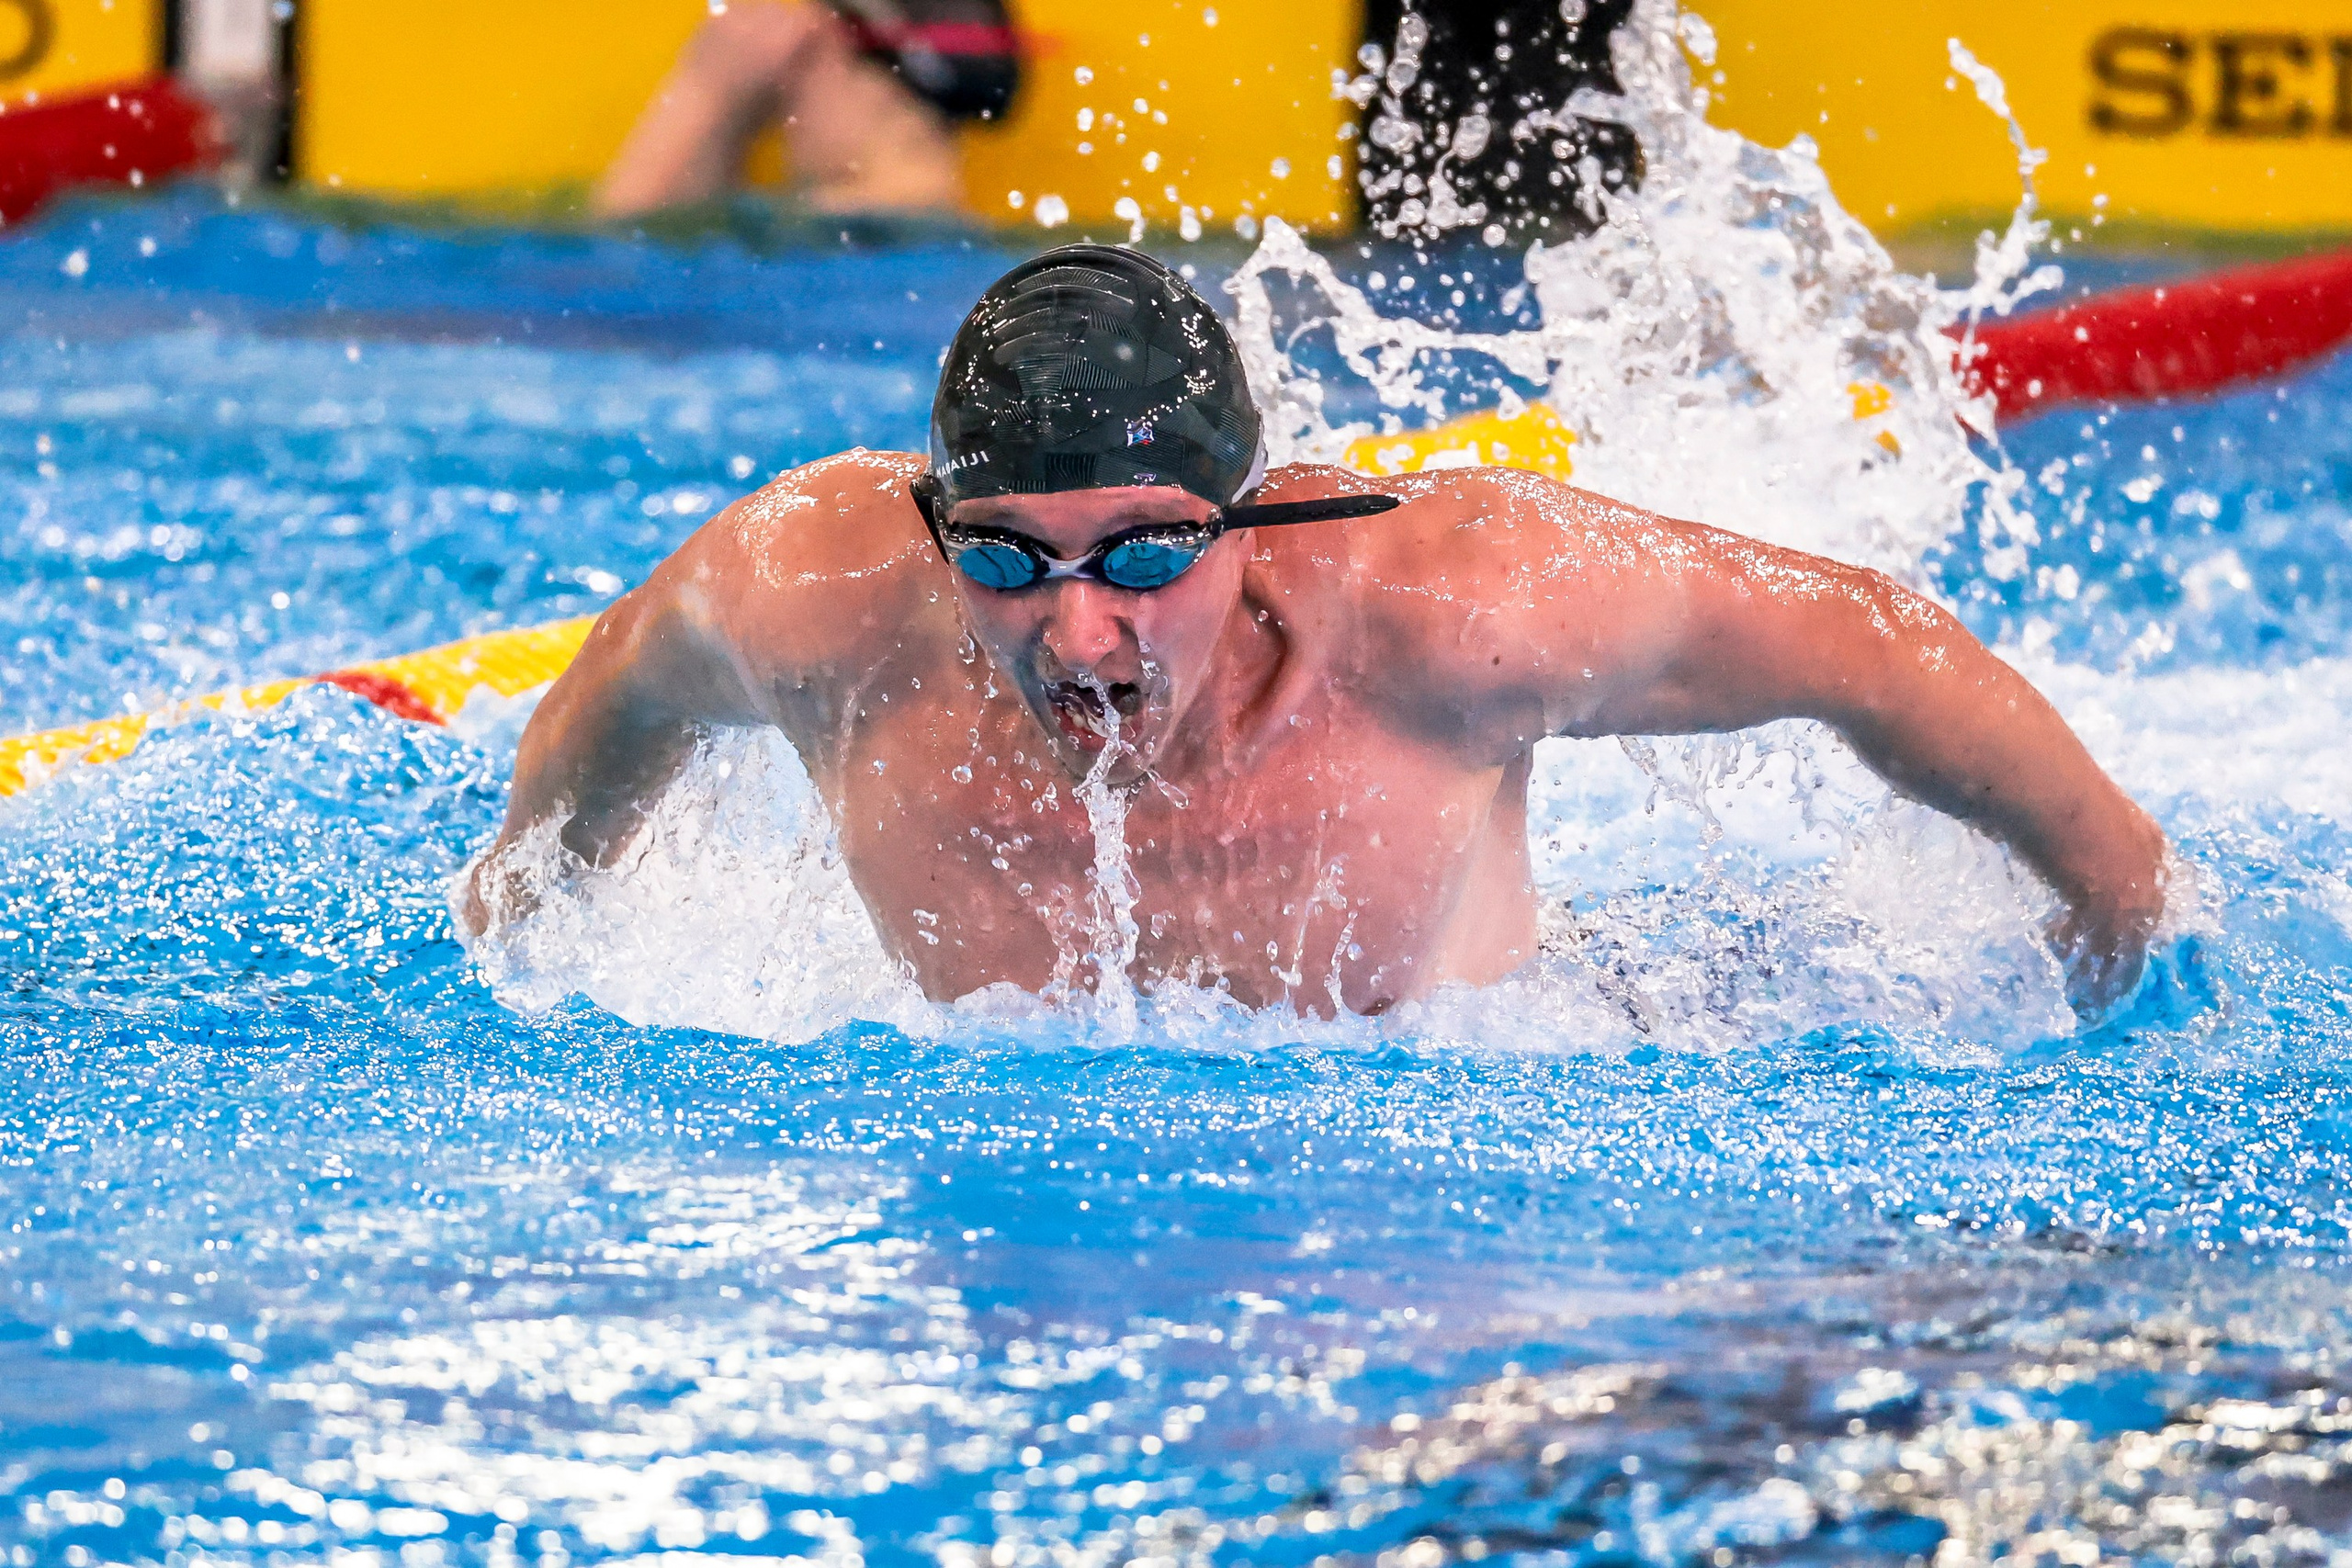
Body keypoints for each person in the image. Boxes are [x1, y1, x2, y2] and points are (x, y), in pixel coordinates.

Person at [466, 245, 2170, 1017]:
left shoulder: (1457, 611)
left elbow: (1867, 639)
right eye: (1005, 561)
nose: (1076, 632)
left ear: (1252, 513)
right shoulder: (823, 596)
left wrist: (2116, 898)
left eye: (1144, 557)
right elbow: (620, 682)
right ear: (936, 530)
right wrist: (532, 901)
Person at [594, 0, 1019, 220]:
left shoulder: (825, 232)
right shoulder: (958, 241)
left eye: (807, 55)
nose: (783, 95)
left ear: (872, 85)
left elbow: (610, 273)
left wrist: (705, 93)